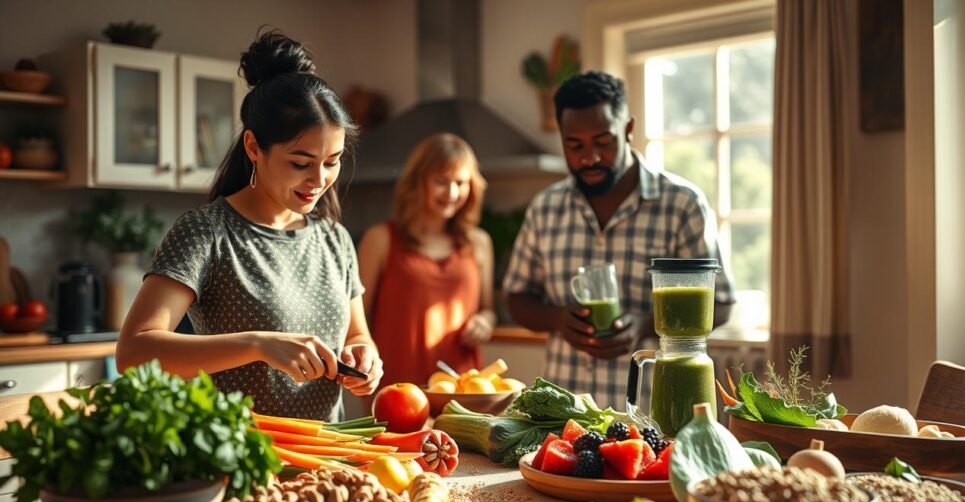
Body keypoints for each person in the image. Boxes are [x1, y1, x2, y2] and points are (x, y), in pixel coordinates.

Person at [116, 30, 382, 422]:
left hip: (327, 465)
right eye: (300, 162)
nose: (320, 179)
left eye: (333, 160)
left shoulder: (334, 238)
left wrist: (365, 357)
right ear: (254, 147)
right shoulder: (205, 233)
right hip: (239, 463)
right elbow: (134, 354)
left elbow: (357, 335)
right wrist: (257, 344)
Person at [503, 71, 736, 409]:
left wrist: (646, 324)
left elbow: (722, 303)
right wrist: (557, 320)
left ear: (627, 130)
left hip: (654, 411)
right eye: (575, 145)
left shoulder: (682, 204)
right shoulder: (545, 208)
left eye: (603, 141)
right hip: (565, 414)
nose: (590, 158)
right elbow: (516, 298)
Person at [357, 133, 494, 387]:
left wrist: (485, 322)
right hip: (398, 386)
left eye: (461, 183)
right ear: (418, 182)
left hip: (464, 387)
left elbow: (488, 309)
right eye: (442, 181)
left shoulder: (479, 243)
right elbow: (356, 319)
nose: (452, 192)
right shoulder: (380, 240)